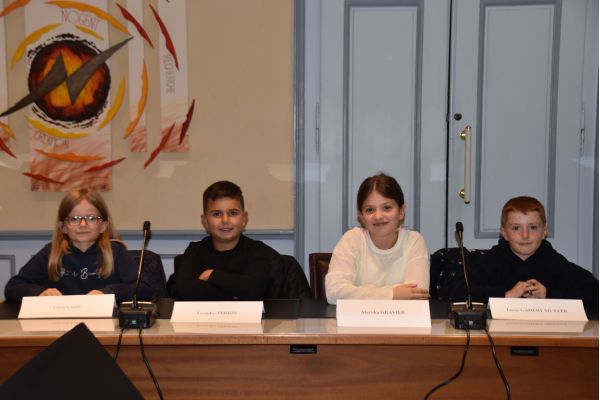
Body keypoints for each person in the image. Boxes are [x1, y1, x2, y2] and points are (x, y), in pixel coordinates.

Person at [4, 188, 137, 302]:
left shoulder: (116, 252)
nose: (83, 225)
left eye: (91, 218)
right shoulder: (51, 252)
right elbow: (13, 287)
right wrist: (40, 292)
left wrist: (109, 292)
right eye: (74, 219)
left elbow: (142, 288)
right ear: (63, 227)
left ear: (103, 226)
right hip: (61, 322)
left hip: (107, 322)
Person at [471, 196, 598, 306]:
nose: (525, 235)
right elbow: (463, 292)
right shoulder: (490, 261)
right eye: (516, 228)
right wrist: (506, 295)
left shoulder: (555, 263)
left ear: (544, 231)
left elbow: (594, 291)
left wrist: (549, 294)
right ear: (504, 233)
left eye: (533, 227)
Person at [325, 173, 430, 304]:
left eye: (387, 208)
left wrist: (358, 293)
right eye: (370, 210)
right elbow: (334, 292)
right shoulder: (351, 239)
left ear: (401, 211)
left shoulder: (413, 241)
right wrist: (393, 294)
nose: (378, 216)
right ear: (361, 217)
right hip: (356, 318)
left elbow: (418, 295)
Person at [168, 180, 281, 300]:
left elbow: (254, 290)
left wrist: (211, 274)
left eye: (233, 213)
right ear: (205, 221)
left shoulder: (257, 251)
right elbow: (184, 291)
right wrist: (236, 293)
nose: (225, 220)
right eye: (217, 214)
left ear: (244, 219)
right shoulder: (195, 251)